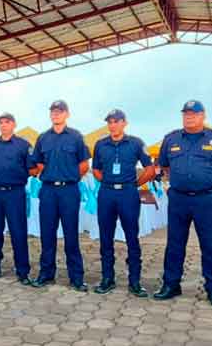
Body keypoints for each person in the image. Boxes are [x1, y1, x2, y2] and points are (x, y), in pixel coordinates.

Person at [153, 100, 212, 309]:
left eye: (194, 113)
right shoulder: (171, 139)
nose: (189, 117)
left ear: (203, 116)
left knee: (210, 245)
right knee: (174, 244)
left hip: (207, 199)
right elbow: (163, 165)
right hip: (179, 199)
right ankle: (171, 284)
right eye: (186, 114)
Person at [91, 109, 156, 296]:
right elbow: (95, 170)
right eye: (110, 122)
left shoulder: (136, 143)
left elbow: (150, 169)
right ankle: (107, 279)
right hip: (107, 193)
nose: (113, 125)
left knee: (131, 237)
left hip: (128, 193)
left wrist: (134, 184)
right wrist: (108, 182)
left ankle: (134, 281)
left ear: (124, 123)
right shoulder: (100, 144)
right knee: (105, 237)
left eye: (116, 121)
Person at [30, 100, 91, 291]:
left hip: (69, 191)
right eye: (53, 111)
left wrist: (69, 176)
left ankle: (76, 278)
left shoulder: (75, 137)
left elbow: (84, 165)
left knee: (71, 234)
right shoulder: (42, 138)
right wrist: (50, 174)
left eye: (60, 111)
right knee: (47, 235)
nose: (56, 114)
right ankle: (46, 274)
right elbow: (37, 163)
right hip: (48, 190)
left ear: (67, 114)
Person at [0, 112, 35, 285]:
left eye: (7, 122)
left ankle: (23, 272)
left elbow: (32, 168)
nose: (3, 125)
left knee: (18, 232)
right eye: (1, 122)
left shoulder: (23, 145)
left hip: (15, 193)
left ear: (14, 124)